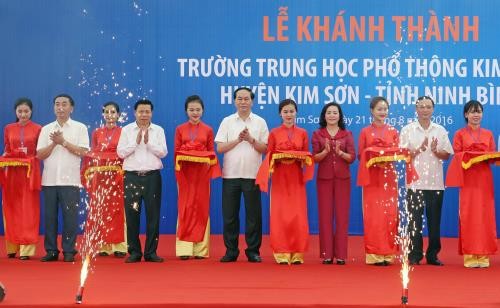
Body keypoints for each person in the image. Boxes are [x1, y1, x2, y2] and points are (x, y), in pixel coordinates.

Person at [215, 87, 269, 263]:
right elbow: (220, 148)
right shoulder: (227, 121)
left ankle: (253, 250)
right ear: (234, 101)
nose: (243, 102)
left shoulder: (260, 122)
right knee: (230, 215)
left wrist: (251, 140)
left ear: (252, 101)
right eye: (240, 99)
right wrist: (238, 140)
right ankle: (231, 251)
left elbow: (266, 148)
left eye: (246, 99)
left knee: (253, 216)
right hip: (230, 175)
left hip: (253, 175)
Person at [256, 99, 313, 264]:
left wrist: (300, 158)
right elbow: (269, 155)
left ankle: (297, 254)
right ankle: (281, 253)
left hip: (296, 178)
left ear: (296, 113)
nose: (289, 115)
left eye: (292, 111)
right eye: (285, 112)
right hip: (280, 178)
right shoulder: (274, 133)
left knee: (297, 214)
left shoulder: (302, 133)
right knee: (280, 214)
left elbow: (305, 156)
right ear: (280, 114)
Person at [399, 96, 453, 266]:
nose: (425, 110)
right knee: (414, 221)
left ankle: (433, 255)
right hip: (414, 183)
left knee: (434, 221)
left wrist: (437, 151)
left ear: (433, 109)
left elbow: (447, 154)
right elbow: (402, 155)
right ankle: (414, 255)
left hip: (435, 183)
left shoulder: (440, 130)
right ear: (416, 109)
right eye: (421, 107)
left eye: (428, 107)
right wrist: (417, 150)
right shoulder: (407, 130)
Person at [36, 94, 89, 262]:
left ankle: (68, 250)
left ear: (71, 108)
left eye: (64, 104)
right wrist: (54, 143)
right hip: (49, 180)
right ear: (54, 108)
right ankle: (51, 250)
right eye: (57, 104)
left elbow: (84, 152)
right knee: (50, 218)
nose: (60, 107)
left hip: (70, 181)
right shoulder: (46, 129)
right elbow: (39, 155)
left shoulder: (80, 128)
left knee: (70, 218)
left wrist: (64, 142)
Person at [446, 100, 498, 268]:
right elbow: (457, 155)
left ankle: (483, 256)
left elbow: (492, 155)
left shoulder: (488, 134)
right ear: (466, 114)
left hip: (484, 178)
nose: (476, 115)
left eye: (479, 112)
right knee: (469, 214)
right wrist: (471, 156)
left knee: (485, 215)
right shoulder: (460, 134)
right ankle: (470, 256)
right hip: (468, 178)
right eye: (472, 112)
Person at [117, 99, 167, 263]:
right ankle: (134, 252)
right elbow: (121, 153)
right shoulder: (126, 130)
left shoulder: (158, 130)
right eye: (141, 111)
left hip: (152, 177)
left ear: (151, 113)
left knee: (153, 215)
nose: (144, 115)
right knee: (132, 215)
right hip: (131, 178)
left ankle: (151, 252)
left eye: (147, 111)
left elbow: (163, 153)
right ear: (135, 113)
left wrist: (148, 143)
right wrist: (135, 142)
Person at [174, 95, 221, 260]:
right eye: (191, 109)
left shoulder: (208, 130)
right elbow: (177, 151)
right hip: (185, 173)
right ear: (186, 111)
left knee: (201, 208)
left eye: (198, 110)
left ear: (203, 111)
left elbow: (211, 152)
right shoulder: (180, 129)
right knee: (185, 207)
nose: (195, 113)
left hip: (202, 174)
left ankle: (201, 249)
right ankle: (184, 249)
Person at [81, 101, 127, 259]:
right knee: (101, 209)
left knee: (118, 210)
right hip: (100, 177)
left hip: (117, 176)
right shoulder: (96, 132)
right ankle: (104, 245)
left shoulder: (123, 132)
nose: (110, 115)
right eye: (106, 112)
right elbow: (93, 153)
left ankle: (120, 246)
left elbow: (125, 153)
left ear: (118, 115)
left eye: (113, 112)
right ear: (103, 114)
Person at [356, 96, 399, 266]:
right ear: (372, 111)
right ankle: (374, 253)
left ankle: (388, 254)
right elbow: (361, 155)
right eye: (379, 109)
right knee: (373, 215)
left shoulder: (393, 131)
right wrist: (374, 154)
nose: (383, 112)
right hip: (371, 177)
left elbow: (397, 153)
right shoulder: (365, 132)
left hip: (389, 176)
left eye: (385, 109)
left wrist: (387, 155)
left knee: (389, 214)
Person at [311, 102, 355, 265]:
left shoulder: (347, 133)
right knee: (325, 217)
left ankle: (341, 255)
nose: (331, 115)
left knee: (342, 217)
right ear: (324, 115)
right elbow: (314, 158)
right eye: (328, 112)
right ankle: (327, 254)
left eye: (335, 112)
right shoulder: (317, 133)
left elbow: (352, 157)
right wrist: (325, 152)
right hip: (324, 179)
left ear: (339, 115)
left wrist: (340, 153)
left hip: (343, 179)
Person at [0, 98, 42, 260]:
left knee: (28, 210)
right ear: (15, 112)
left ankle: (26, 249)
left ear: (31, 111)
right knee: (11, 208)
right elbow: (7, 149)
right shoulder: (9, 128)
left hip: (29, 174)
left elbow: (40, 152)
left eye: (26, 111)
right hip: (11, 173)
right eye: (20, 111)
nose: (23, 114)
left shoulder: (38, 129)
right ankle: (12, 246)